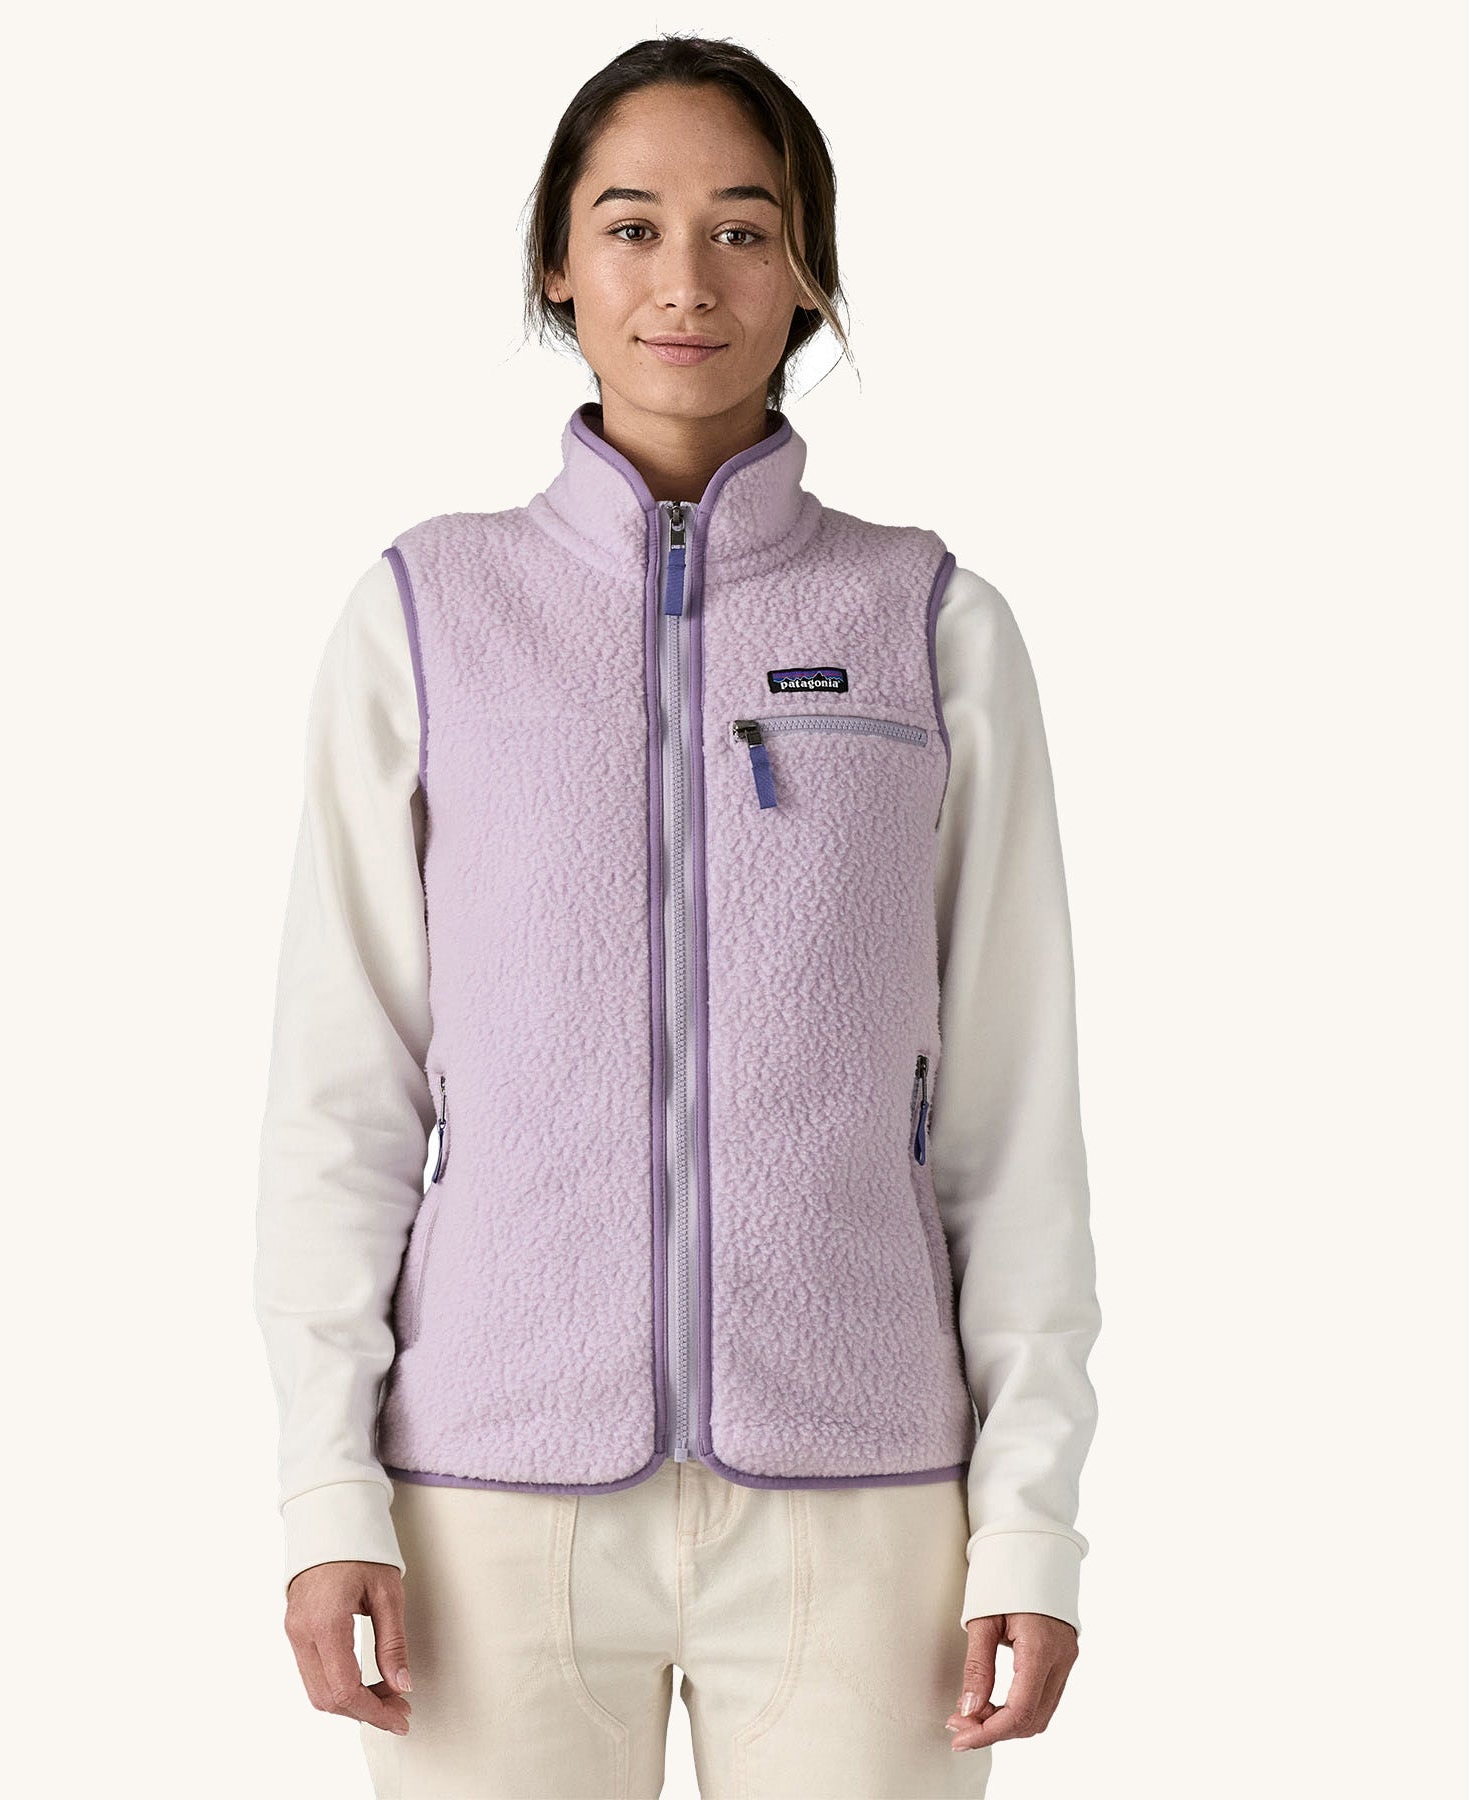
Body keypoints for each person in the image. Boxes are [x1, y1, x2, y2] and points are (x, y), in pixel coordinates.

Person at [254, 32, 1101, 1800]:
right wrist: (330, 1490)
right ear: (558, 263)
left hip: (868, 1502)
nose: (685, 282)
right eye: (632, 226)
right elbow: (344, 1096)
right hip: (489, 1495)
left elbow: (1015, 1121)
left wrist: (1028, 1523)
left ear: (808, 271)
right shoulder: (428, 613)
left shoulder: (932, 624)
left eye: (743, 228)